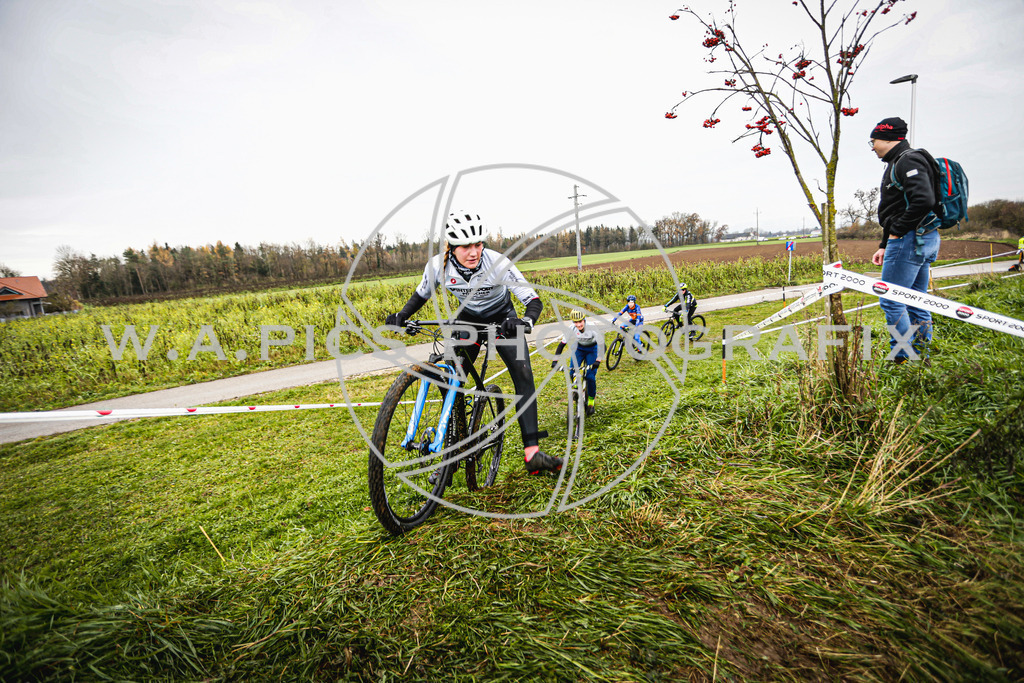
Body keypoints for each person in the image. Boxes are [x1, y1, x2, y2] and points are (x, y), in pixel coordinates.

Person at [385, 211, 562, 475]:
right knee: (451, 380)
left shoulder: (497, 262)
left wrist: (524, 321)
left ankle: (532, 454)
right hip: (467, 321)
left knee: (523, 373)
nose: (474, 252)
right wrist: (402, 316)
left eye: (479, 244)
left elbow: (533, 301)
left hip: (503, 319)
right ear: (452, 247)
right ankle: (452, 445)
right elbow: (420, 295)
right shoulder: (438, 266)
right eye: (466, 246)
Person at [869, 116, 940, 364]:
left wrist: (898, 232)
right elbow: (898, 207)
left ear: (887, 138)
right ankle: (921, 356)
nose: (873, 146)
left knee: (891, 300)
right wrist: (885, 243)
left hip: (910, 240)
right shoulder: (899, 161)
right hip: (920, 238)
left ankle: (902, 358)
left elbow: (923, 200)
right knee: (915, 299)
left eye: (874, 140)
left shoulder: (907, 160)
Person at [550, 309, 603, 416]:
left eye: (580, 322)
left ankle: (591, 403)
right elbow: (561, 345)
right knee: (572, 372)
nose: (578, 324)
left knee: (590, 377)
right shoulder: (571, 328)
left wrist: (598, 361)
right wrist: (555, 361)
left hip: (592, 349)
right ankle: (576, 388)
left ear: (584, 320)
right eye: (575, 322)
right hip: (579, 349)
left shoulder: (592, 327)